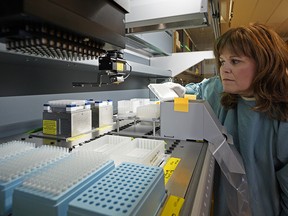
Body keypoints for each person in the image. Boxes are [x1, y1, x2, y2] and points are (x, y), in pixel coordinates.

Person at [169, 23, 288, 215]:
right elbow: (199, 90)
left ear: (265, 63)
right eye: (222, 61)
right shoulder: (221, 91)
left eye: (235, 61)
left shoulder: (281, 112)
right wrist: (177, 91)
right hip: (223, 203)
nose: (224, 69)